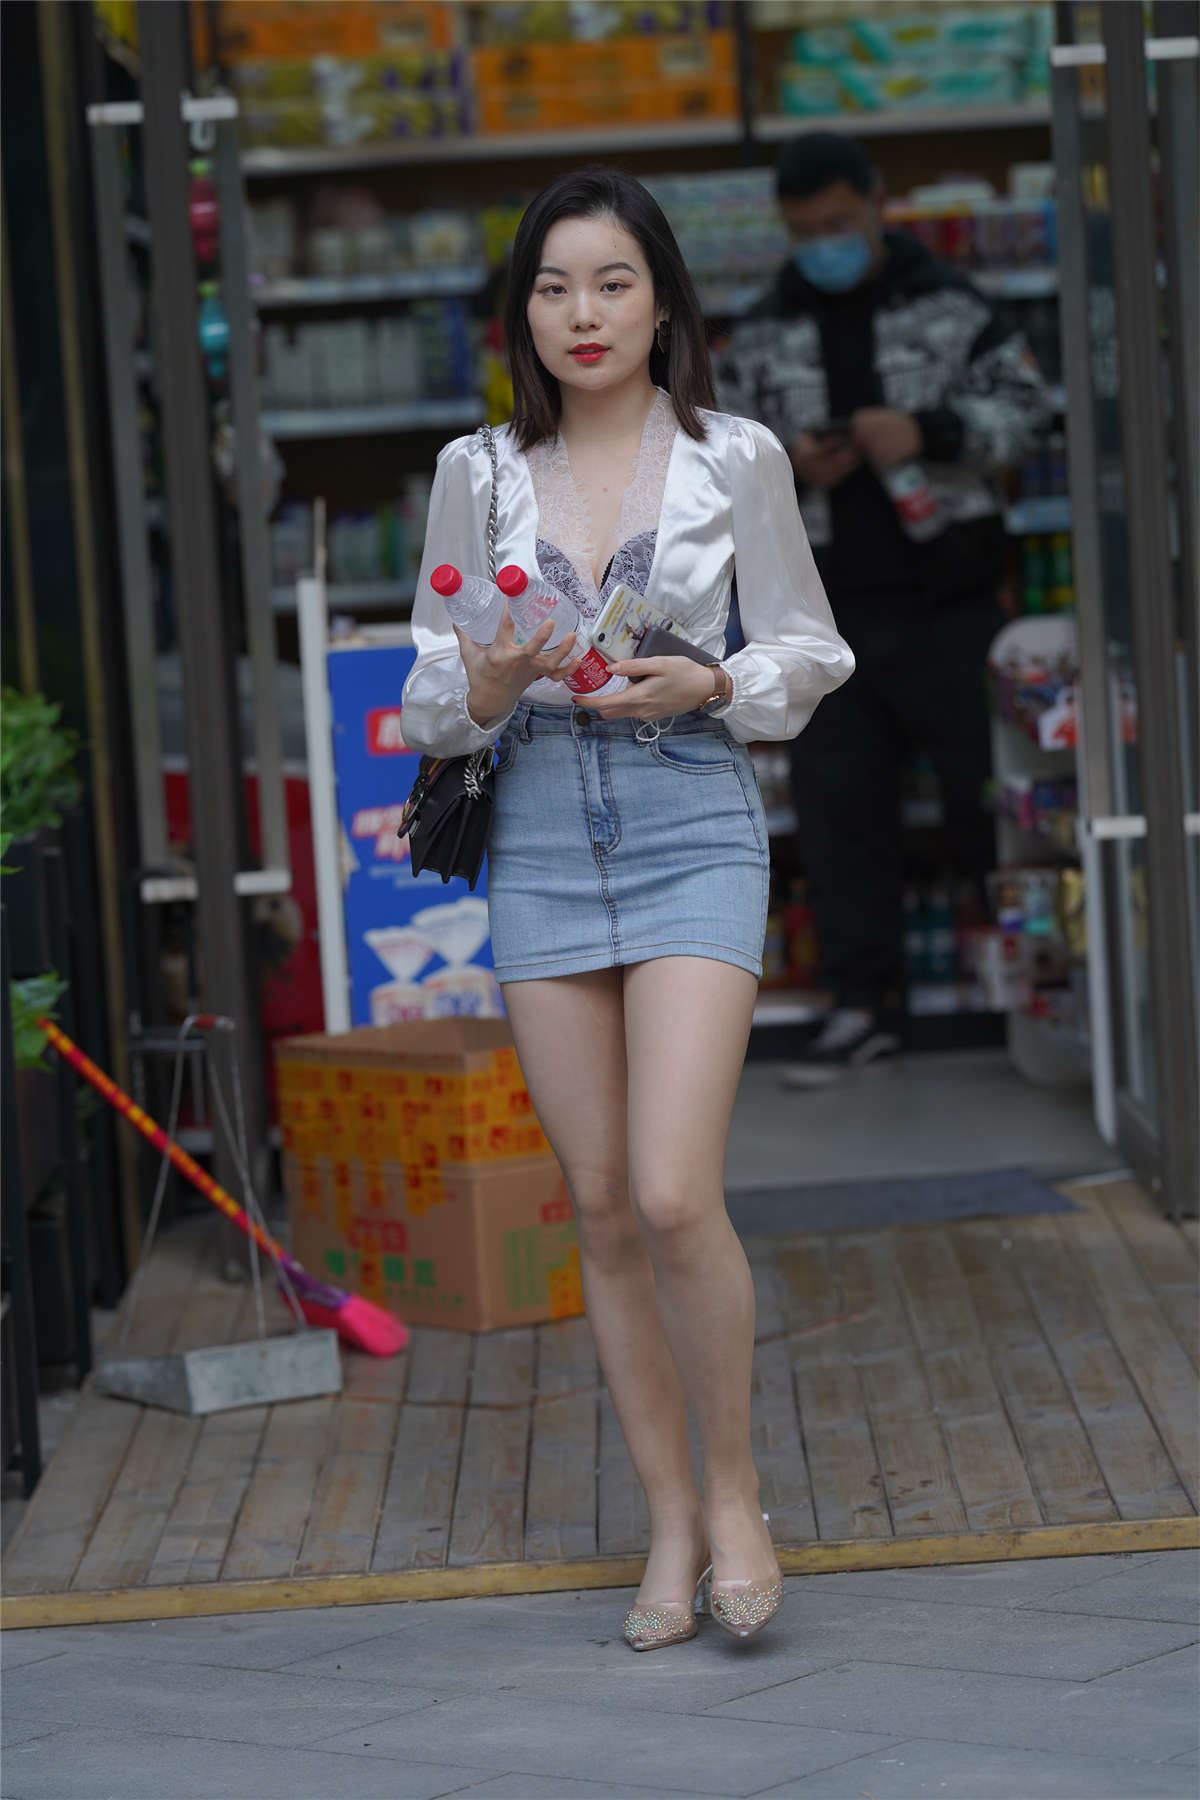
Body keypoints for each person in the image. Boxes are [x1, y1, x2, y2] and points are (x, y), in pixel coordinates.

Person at [401, 167, 854, 1650]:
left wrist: (714, 679)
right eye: (553, 287)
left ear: (663, 303)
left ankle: (736, 1491)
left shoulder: (736, 456)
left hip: (689, 817)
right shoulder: (478, 471)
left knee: (670, 1191)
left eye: (611, 283)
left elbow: (809, 649)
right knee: (596, 1206)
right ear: (522, 313)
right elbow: (429, 690)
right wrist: (480, 685)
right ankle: (666, 1516)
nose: (581, 313)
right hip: (536, 829)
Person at [716, 132, 1052, 1084]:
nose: (823, 244)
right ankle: (862, 1005)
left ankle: (1032, 992)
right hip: (823, 619)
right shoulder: (762, 329)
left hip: (953, 602)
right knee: (840, 820)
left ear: (874, 204)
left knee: (992, 803)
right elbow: (717, 460)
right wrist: (787, 463)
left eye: (838, 223)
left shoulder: (953, 305)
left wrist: (930, 431)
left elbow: (1030, 414)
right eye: (805, 231)